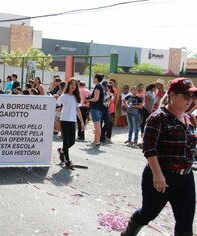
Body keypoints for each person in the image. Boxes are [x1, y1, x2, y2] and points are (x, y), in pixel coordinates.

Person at [121, 77, 197, 236]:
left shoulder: (189, 118)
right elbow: (149, 148)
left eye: (192, 97)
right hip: (162, 176)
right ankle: (128, 233)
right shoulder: (158, 118)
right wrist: (157, 174)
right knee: (148, 213)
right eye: (186, 96)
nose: (190, 100)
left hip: (186, 176)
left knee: (185, 222)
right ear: (173, 95)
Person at [56, 78, 84, 169]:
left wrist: (82, 122)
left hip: (73, 120)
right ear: (68, 85)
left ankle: (62, 151)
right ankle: (67, 160)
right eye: (72, 84)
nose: (73, 86)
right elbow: (57, 104)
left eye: (75, 85)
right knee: (66, 140)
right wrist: (56, 97)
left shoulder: (76, 97)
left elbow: (78, 109)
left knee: (72, 141)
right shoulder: (64, 96)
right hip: (64, 119)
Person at [84, 73, 105, 147]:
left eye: (94, 77)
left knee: (97, 126)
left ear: (96, 79)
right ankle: (96, 141)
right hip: (98, 108)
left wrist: (88, 100)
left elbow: (96, 98)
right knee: (97, 125)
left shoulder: (98, 87)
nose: (93, 79)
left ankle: (96, 141)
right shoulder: (100, 86)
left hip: (95, 108)